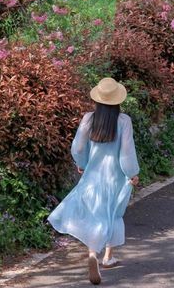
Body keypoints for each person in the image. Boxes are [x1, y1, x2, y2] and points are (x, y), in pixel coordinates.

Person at [48, 77, 140, 285]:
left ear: (97, 99)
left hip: (93, 174)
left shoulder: (89, 119)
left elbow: (79, 147)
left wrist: (81, 162)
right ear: (118, 100)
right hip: (115, 177)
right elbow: (126, 153)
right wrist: (132, 173)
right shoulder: (123, 121)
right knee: (113, 213)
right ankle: (107, 257)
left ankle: (93, 253)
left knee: (94, 214)